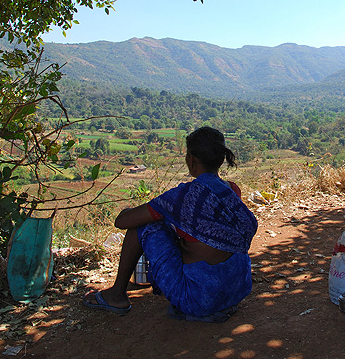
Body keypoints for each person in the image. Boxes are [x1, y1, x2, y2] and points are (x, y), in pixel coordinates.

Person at [83, 127, 258, 321]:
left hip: (199, 300)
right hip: (236, 291)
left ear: (191, 160)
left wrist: (147, 211)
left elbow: (122, 222)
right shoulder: (231, 191)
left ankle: (117, 295)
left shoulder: (184, 197)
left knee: (144, 226)